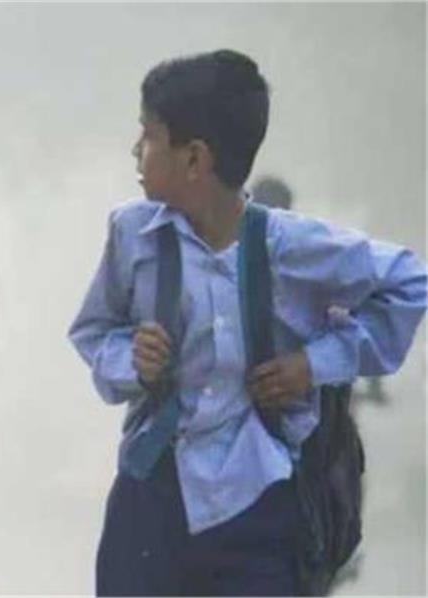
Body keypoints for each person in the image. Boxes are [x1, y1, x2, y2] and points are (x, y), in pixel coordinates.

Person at [68, 49, 427, 596]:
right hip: (150, 504)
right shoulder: (132, 236)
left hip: (258, 506)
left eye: (149, 135)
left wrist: (315, 364)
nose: (136, 149)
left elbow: (409, 281)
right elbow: (94, 331)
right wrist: (130, 360)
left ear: (194, 159)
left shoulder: (291, 245)